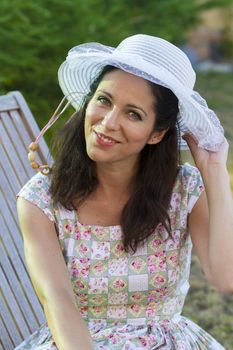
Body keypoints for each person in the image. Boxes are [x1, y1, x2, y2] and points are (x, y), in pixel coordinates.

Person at [16, 34, 233, 350]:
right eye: (104, 100)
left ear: (157, 133)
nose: (108, 123)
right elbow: (57, 301)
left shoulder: (182, 189)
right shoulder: (42, 200)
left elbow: (225, 277)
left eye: (133, 114)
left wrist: (214, 172)